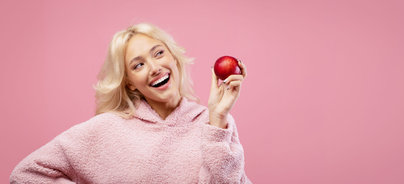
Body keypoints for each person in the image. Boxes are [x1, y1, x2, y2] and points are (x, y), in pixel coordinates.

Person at [10, 23, 251, 184]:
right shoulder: (106, 129)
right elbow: (25, 175)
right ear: (130, 83)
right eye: (138, 65)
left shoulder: (217, 126)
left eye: (158, 53)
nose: (155, 68)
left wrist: (217, 120)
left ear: (174, 58)